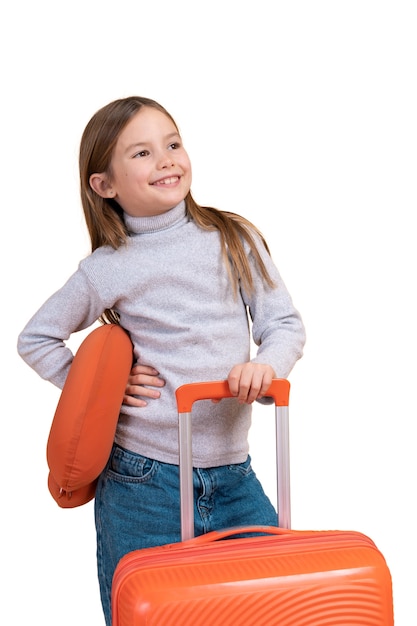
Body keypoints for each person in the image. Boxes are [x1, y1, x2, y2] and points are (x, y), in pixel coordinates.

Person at [17, 96, 306, 625]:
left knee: (268, 605)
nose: (167, 160)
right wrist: (103, 390)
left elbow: (283, 325)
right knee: (149, 612)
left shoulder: (232, 238)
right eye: (143, 153)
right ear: (104, 184)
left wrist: (267, 367)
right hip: (142, 480)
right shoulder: (108, 267)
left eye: (173, 144)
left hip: (233, 475)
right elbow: (36, 338)